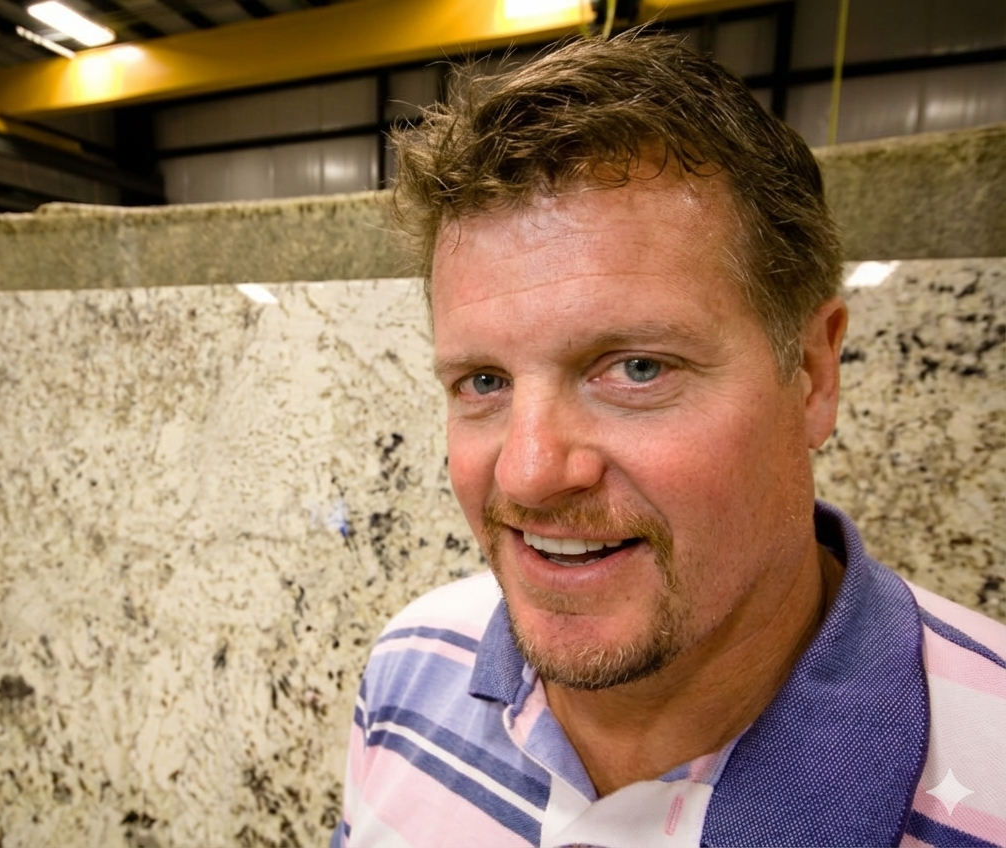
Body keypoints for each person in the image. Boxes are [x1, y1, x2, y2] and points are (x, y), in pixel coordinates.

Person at [334, 34, 1006, 848]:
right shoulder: (410, 669)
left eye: (637, 367)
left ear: (811, 373)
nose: (530, 471)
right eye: (483, 381)